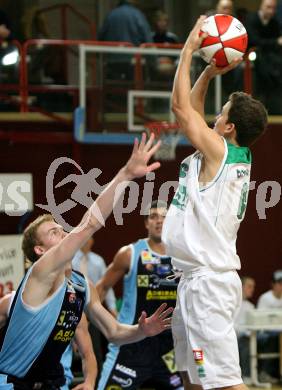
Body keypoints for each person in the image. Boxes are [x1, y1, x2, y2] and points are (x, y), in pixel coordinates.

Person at [0, 133, 173, 389]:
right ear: (39, 250)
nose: (63, 232)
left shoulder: (81, 285)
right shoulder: (41, 272)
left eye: (61, 228)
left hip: (52, 383)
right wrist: (125, 175)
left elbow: (113, 331)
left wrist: (140, 331)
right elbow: (90, 223)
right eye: (53, 232)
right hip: (12, 384)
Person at [161, 16, 268, 390]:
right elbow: (191, 109)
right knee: (192, 379)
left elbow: (180, 109)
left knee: (224, 383)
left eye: (219, 114)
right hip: (194, 282)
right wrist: (207, 73)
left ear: (228, 128)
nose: (213, 117)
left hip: (208, 285)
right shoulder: (227, 153)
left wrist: (190, 48)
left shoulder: (221, 152)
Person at [96, 200, 183, 390]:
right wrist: (85, 322)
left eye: (164, 217)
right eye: (153, 217)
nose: (159, 221)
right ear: (146, 223)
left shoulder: (183, 256)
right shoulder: (130, 253)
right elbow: (100, 289)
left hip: (170, 348)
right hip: (132, 343)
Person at [0, 292, 97, 390]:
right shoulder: (11, 302)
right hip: (12, 380)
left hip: (52, 380)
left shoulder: (74, 309)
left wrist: (89, 382)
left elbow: (87, 354)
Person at [72, 237, 117, 378]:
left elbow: (107, 287)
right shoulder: (70, 260)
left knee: (95, 349)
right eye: (82, 239)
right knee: (67, 348)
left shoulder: (98, 261)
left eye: (88, 238)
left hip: (92, 311)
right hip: (71, 308)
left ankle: (96, 383)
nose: (85, 241)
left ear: (92, 241)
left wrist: (113, 309)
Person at [99, 0, 152, 81]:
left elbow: (100, 38)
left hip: (112, 62)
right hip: (133, 62)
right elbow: (148, 40)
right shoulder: (137, 15)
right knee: (135, 87)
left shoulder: (110, 15)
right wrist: (154, 63)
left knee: (114, 88)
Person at [246, 0, 282, 114]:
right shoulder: (251, 19)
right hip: (254, 58)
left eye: (273, 8)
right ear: (262, 6)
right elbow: (254, 41)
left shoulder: (274, 22)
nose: (271, 11)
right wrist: (275, 42)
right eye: (268, 7)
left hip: (271, 58)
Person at [256, 270, 282, 382]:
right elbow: (259, 321)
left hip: (279, 332)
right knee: (272, 338)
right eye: (279, 283)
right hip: (264, 333)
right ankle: (264, 373)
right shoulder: (265, 298)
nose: (281, 286)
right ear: (273, 284)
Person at [234, 277, 256, 382]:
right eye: (249, 286)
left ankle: (261, 374)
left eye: (253, 287)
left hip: (248, 336)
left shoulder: (251, 306)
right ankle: (246, 375)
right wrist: (245, 331)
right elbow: (231, 325)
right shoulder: (231, 303)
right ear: (241, 287)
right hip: (234, 338)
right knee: (245, 341)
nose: (252, 289)